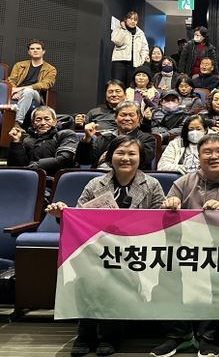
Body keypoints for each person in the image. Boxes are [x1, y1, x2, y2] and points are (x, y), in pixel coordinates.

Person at [47, 135, 165, 357]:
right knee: (88, 274)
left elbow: (160, 221)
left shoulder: (152, 185)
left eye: (131, 154)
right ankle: (85, 333)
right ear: (110, 157)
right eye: (120, 153)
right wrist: (62, 214)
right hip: (97, 248)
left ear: (141, 158)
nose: (125, 158)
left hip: (135, 251)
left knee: (115, 278)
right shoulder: (95, 184)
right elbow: (79, 218)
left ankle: (109, 335)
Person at [151, 134, 219, 357]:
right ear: (199, 157)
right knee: (166, 271)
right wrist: (170, 205)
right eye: (207, 152)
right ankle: (178, 335)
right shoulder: (183, 182)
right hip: (188, 250)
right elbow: (164, 220)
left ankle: (208, 336)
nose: (213, 156)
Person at [75, 101, 156, 170]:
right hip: (100, 178)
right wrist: (87, 139)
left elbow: (142, 161)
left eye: (131, 115)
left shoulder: (147, 139)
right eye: (123, 115)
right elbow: (84, 161)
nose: (127, 118)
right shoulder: (104, 138)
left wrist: (107, 156)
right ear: (115, 118)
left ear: (138, 118)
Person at [8, 105, 78, 179]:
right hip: (31, 180)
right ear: (33, 123)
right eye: (38, 120)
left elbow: (65, 159)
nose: (43, 123)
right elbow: (17, 167)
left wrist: (37, 165)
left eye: (47, 119)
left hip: (57, 180)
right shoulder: (27, 140)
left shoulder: (66, 134)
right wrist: (16, 142)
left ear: (54, 122)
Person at [1, 39, 57, 127]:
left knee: (28, 91)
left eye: (38, 48)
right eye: (32, 49)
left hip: (35, 94)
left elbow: (45, 84)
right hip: (17, 93)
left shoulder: (50, 69)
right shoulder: (19, 65)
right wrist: (15, 92)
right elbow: (11, 80)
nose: (35, 50)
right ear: (29, 52)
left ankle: (17, 123)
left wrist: (19, 89)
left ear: (43, 51)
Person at [110, 11, 149, 88]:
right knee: (117, 85)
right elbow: (117, 41)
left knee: (130, 87)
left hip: (134, 64)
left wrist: (141, 61)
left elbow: (145, 48)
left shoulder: (140, 33)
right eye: (130, 19)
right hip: (119, 62)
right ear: (125, 19)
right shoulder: (119, 28)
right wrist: (123, 29)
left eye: (135, 20)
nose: (133, 21)